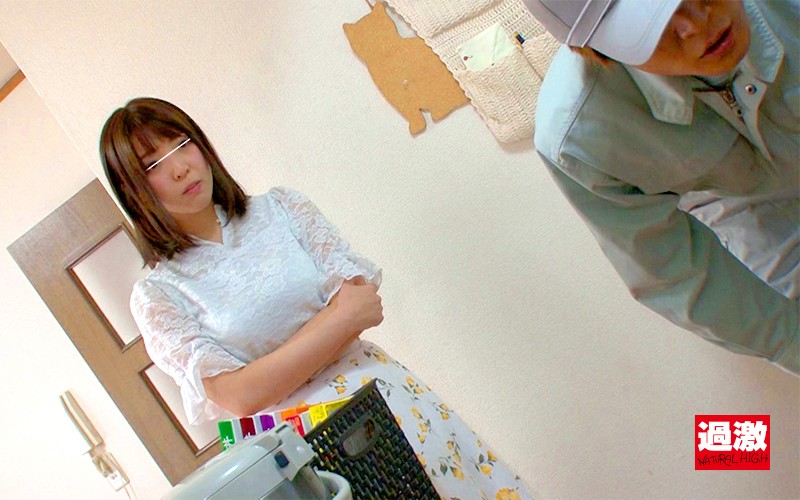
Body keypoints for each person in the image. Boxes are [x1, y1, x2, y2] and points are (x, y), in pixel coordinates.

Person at [100, 97, 530, 498]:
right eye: (153, 164)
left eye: (182, 145)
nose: (180, 168)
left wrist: (270, 372)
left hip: (389, 400)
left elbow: (363, 305)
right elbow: (239, 397)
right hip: (308, 455)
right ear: (131, 188)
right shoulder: (158, 295)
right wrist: (337, 321)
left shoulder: (280, 207)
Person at [522, 0, 799, 374]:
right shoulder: (580, 138)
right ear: (600, 53)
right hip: (757, 217)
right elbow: (675, 274)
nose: (697, 23)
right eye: (652, 26)